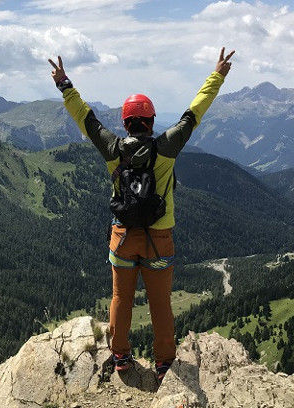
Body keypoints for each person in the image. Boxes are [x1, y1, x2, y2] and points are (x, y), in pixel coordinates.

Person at [48, 46, 235, 381]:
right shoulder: (167, 146)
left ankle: (120, 356)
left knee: (120, 297)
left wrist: (64, 84)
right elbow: (195, 112)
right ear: (150, 121)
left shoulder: (112, 148)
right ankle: (164, 363)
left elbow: (85, 117)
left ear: (125, 121)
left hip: (122, 238)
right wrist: (217, 75)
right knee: (160, 303)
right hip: (159, 239)